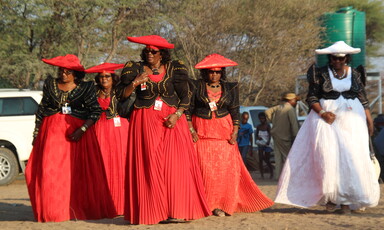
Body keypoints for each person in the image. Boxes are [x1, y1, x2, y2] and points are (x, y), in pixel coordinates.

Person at [275, 41, 380, 214]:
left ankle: (346, 201)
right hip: (327, 120)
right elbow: (312, 98)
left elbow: (363, 98)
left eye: (340, 58)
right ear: (330, 58)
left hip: (353, 120)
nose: (337, 61)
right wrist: (323, 113)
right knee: (329, 157)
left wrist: (369, 120)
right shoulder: (320, 74)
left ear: (346, 58)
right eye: (334, 58)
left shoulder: (355, 74)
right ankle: (331, 198)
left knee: (350, 158)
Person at [118, 35, 211, 225]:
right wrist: (135, 82)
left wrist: (177, 114)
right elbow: (121, 95)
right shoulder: (134, 68)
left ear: (162, 54)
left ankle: (177, 210)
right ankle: (152, 211)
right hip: (144, 119)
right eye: (147, 51)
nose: (149, 54)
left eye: (154, 51)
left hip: (172, 120)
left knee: (175, 165)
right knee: (149, 165)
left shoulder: (175, 68)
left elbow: (186, 96)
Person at [25, 54, 116, 222]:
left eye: (68, 72)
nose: (63, 74)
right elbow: (42, 108)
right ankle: (53, 211)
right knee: (51, 172)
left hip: (77, 135)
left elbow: (95, 111)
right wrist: (36, 134)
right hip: (52, 132)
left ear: (76, 73)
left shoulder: (86, 87)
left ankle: (73, 210)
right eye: (61, 71)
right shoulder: (51, 84)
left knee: (75, 174)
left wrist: (82, 129)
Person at [186, 53, 274, 217]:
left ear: (222, 73)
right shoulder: (195, 86)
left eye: (218, 72)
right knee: (205, 171)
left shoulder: (231, 87)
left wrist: (235, 132)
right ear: (205, 73)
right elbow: (188, 110)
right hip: (202, 134)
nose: (214, 75)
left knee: (224, 171)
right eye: (211, 72)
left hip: (224, 135)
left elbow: (235, 111)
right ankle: (205, 204)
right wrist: (191, 130)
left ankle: (222, 204)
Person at [85, 63, 129, 215]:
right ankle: (103, 203)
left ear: (113, 77)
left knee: (120, 164)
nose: (104, 79)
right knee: (101, 165)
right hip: (99, 130)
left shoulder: (119, 91)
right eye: (101, 77)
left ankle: (121, 205)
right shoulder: (93, 92)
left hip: (119, 131)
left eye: (107, 76)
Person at [265, 93, 300, 180]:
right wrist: (296, 137)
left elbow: (267, 111)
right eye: (295, 101)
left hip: (275, 134)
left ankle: (278, 176)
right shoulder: (290, 109)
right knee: (288, 157)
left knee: (278, 157)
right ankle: (289, 177)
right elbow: (294, 125)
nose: (296, 103)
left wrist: (272, 121)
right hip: (285, 137)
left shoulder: (279, 107)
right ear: (291, 100)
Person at [255, 112, 273, 179]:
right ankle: (262, 174)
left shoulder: (267, 126)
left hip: (267, 144)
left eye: (263, 118)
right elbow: (256, 135)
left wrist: (268, 141)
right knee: (260, 158)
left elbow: (270, 135)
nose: (261, 120)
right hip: (261, 144)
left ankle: (271, 172)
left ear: (265, 119)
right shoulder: (258, 126)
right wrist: (258, 138)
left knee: (267, 159)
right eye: (260, 119)